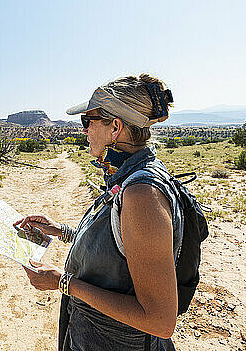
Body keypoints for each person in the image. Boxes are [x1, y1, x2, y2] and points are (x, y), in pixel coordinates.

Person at [15, 74, 181, 351]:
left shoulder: (142, 194)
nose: (84, 131)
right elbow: (121, 247)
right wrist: (62, 231)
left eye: (87, 121)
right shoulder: (126, 176)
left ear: (115, 127)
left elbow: (160, 321)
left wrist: (63, 283)